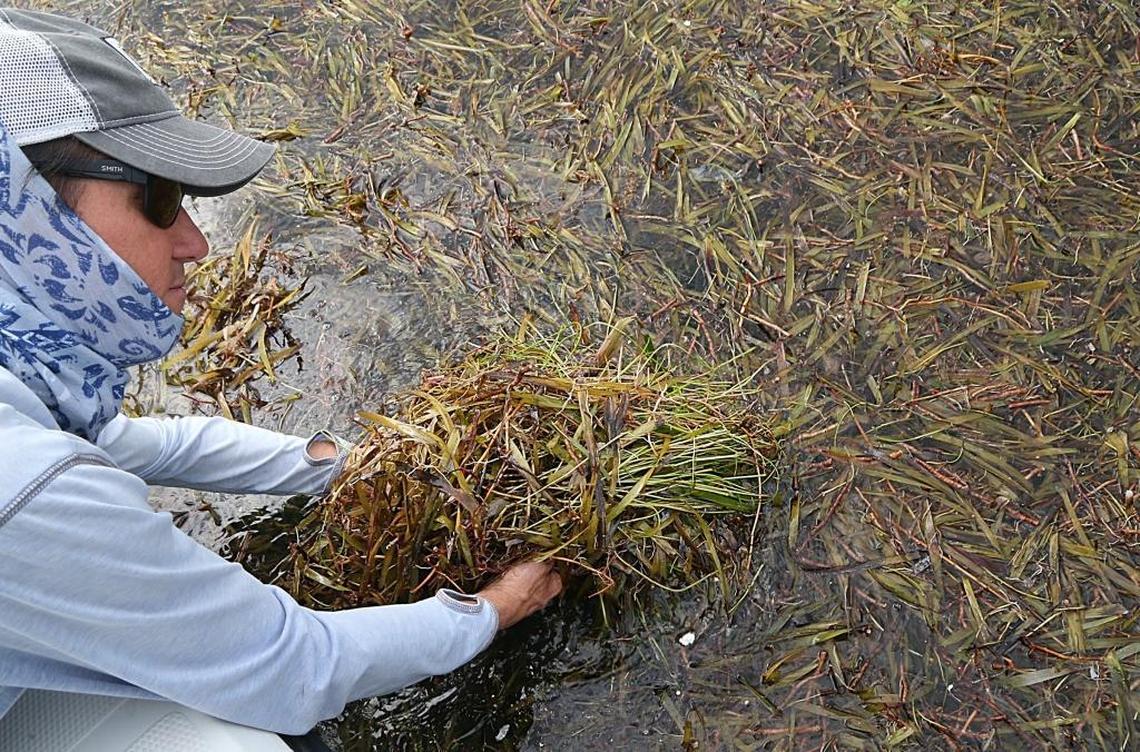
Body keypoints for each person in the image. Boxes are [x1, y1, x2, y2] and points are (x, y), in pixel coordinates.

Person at [0, 8, 561, 736]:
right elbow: (291, 668)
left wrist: (366, 466)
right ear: (23, 215)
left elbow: (135, 444)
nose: (195, 242)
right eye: (160, 197)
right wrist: (499, 605)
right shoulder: (19, 480)